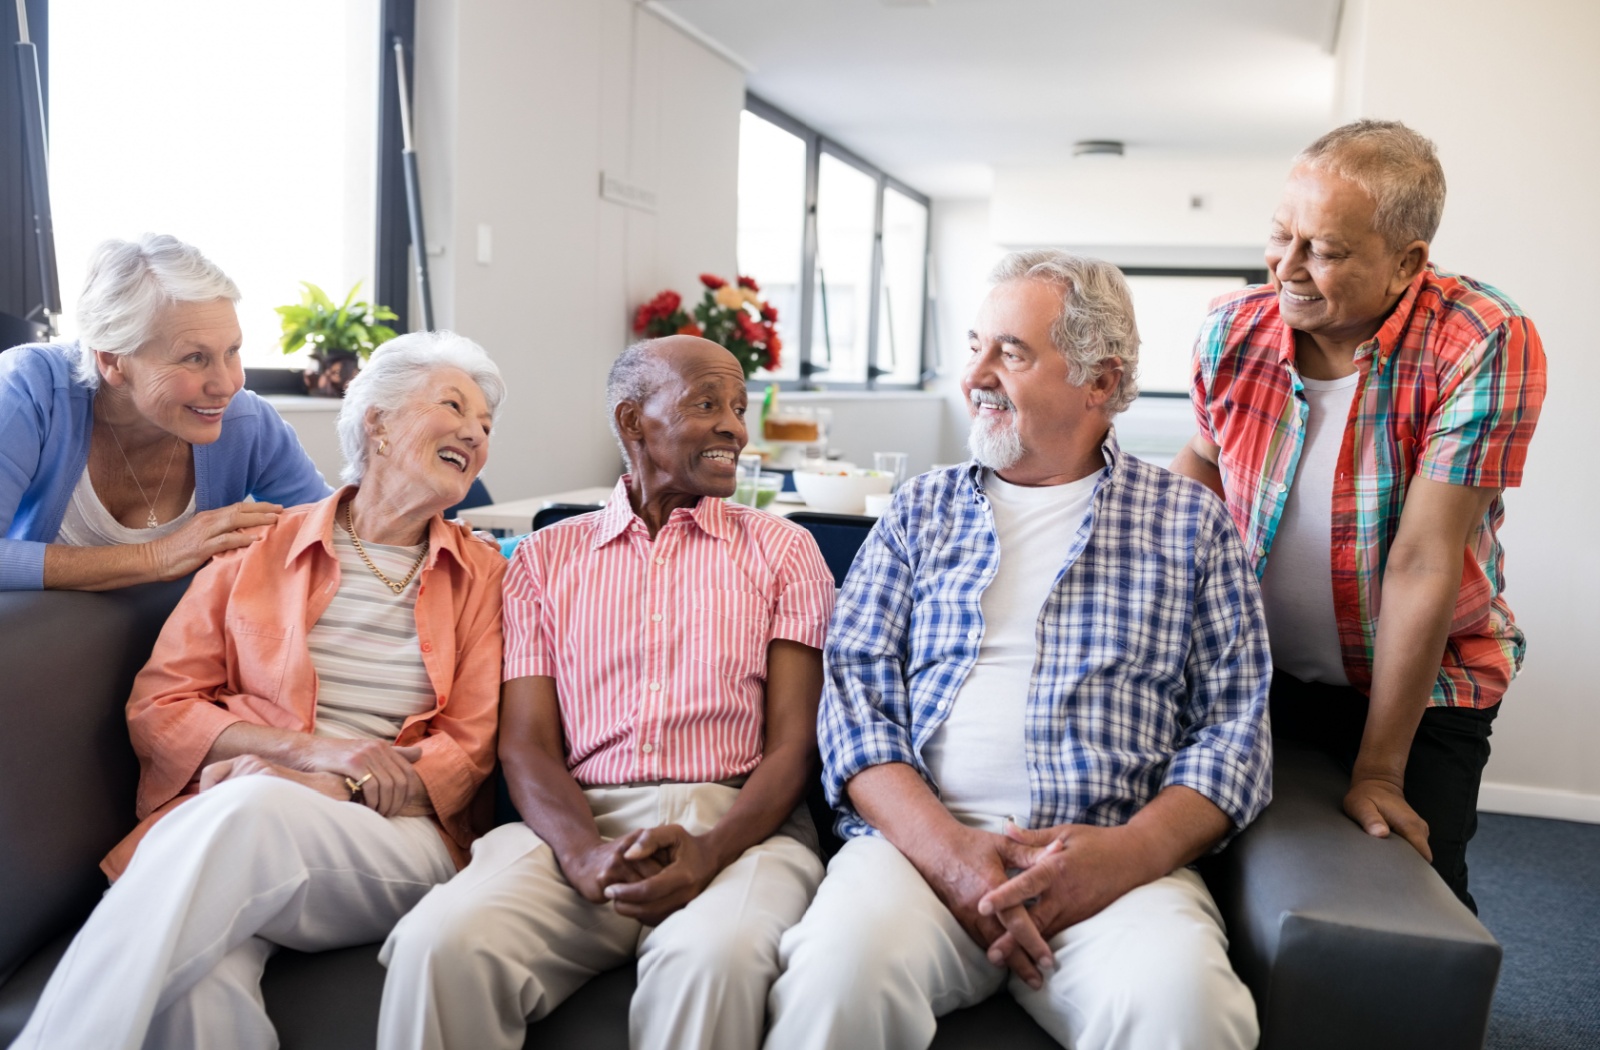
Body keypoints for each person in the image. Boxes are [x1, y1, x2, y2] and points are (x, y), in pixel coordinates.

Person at [764, 250, 1271, 1050]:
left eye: (1012, 353)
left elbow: (1235, 735)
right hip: (919, 855)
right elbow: (855, 705)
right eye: (976, 347)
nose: (975, 376)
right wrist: (950, 855)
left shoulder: (1192, 524)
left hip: (1112, 862)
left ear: (1100, 381)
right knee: (836, 979)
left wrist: (1127, 855)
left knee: (1189, 1011)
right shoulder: (920, 510)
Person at [11, 331, 507, 1050]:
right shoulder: (256, 547)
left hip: (396, 835)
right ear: (379, 422)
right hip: (238, 814)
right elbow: (160, 708)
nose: (475, 432)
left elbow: (469, 748)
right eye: (454, 406)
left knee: (251, 807)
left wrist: (337, 782)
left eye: (486, 425)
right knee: (200, 990)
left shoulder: (487, 577)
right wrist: (303, 753)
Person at [379, 335, 835, 1050]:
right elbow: (528, 745)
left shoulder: (784, 551)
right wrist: (583, 853)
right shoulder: (543, 559)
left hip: (741, 826)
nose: (734, 428)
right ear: (632, 421)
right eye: (706, 405)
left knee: (711, 960)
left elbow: (794, 746)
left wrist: (710, 851)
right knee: (440, 942)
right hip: (580, 821)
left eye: (738, 408)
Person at [1171, 120, 1546, 910]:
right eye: (1282, 235)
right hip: (1260, 667)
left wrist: (1379, 771)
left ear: (1407, 262)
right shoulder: (1232, 329)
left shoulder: (1482, 339)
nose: (1287, 267)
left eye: (1325, 250)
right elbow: (1202, 462)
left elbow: (1424, 557)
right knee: (1218, 874)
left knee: (1409, 902)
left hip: (1424, 684)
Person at [0, 233, 331, 592]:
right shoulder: (28, 387)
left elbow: (334, 534)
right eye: (194, 357)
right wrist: (158, 556)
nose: (226, 385)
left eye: (232, 351)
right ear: (111, 360)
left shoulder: (247, 424)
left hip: (179, 630)